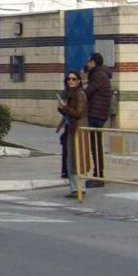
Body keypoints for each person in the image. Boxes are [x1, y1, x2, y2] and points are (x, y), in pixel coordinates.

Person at [58, 70, 88, 198]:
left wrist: (64, 107)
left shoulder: (80, 94)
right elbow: (69, 113)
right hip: (70, 128)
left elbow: (78, 113)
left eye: (74, 79)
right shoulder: (69, 94)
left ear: (79, 81)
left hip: (78, 130)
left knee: (77, 159)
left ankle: (79, 187)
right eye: (69, 79)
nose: (71, 81)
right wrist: (61, 108)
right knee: (70, 159)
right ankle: (74, 187)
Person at [83, 52, 112, 188]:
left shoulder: (97, 75)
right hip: (99, 114)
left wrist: (82, 81)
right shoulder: (102, 74)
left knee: (96, 147)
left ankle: (99, 176)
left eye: (89, 62)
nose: (87, 64)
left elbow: (87, 93)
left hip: (96, 115)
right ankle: (98, 174)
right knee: (96, 145)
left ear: (93, 63)